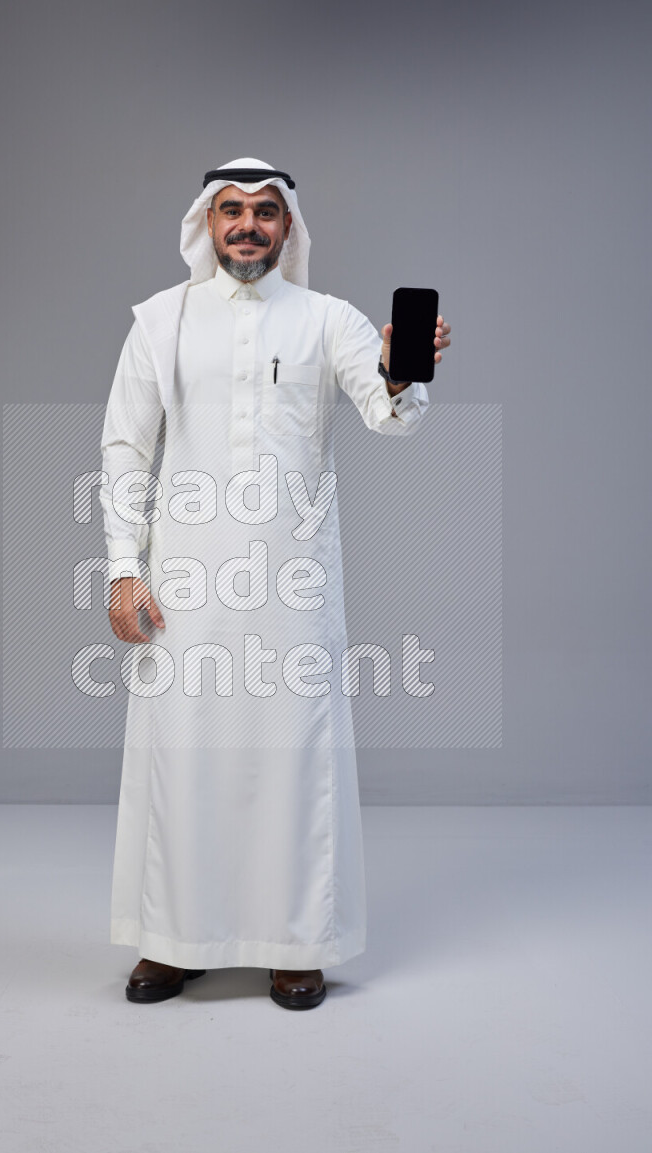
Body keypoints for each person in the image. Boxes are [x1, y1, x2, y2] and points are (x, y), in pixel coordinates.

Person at [99, 157, 451, 1010]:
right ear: (206, 224)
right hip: (182, 586)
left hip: (293, 589)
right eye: (231, 211)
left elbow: (387, 412)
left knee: (295, 760)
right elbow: (124, 448)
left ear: (289, 227)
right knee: (181, 760)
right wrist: (121, 567)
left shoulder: (329, 319)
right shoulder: (159, 320)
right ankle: (172, 941)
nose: (248, 225)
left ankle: (297, 943)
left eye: (264, 211)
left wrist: (402, 371)